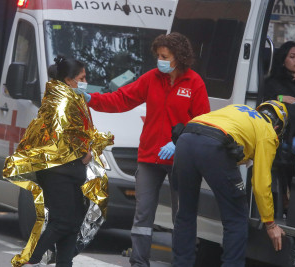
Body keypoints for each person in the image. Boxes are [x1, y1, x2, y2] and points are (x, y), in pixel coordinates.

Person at [82, 32, 210, 266]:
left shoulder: (194, 83)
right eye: (158, 55)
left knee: (182, 215)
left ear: (179, 57)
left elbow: (202, 122)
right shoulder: (152, 78)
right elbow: (122, 99)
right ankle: (139, 262)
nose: (159, 60)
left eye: (164, 56)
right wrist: (91, 99)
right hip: (150, 157)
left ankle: (183, 262)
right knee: (143, 215)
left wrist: (178, 142)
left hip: (182, 158)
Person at [172, 101, 288, 267]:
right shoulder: (268, 132)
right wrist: (270, 223)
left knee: (185, 212)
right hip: (214, 145)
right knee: (236, 218)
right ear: (278, 128)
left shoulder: (239, 109)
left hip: (186, 137)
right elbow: (261, 183)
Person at [17, 55, 103, 267]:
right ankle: (31, 260)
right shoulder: (59, 101)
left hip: (72, 171)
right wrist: (84, 149)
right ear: (68, 80)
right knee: (62, 222)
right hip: (58, 171)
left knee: (73, 224)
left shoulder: (75, 99)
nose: (85, 81)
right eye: (81, 78)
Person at [264, 41, 295, 146]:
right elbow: (265, 98)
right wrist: (281, 98)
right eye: (292, 57)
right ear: (283, 61)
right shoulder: (274, 81)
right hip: (284, 134)